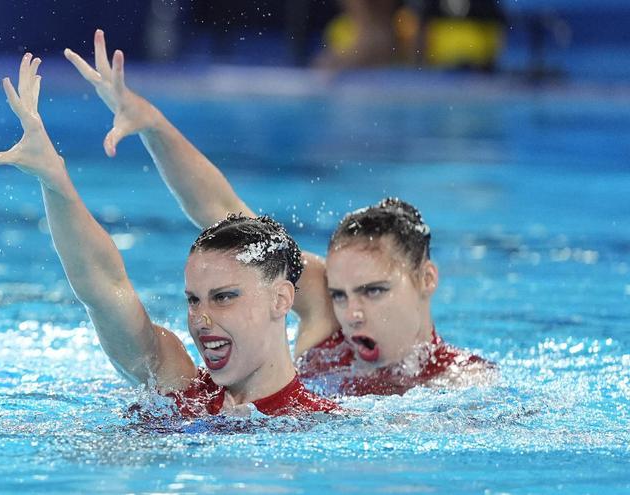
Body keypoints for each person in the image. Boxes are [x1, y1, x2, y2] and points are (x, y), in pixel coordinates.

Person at [64, 30, 495, 396]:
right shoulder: (326, 316)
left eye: (374, 291)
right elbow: (222, 211)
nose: (352, 313)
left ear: (426, 280)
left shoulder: (461, 383)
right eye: (341, 294)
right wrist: (154, 124)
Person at [0, 52, 341, 418]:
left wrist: (153, 123)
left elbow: (219, 204)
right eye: (193, 300)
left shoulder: (324, 423)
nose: (200, 319)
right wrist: (55, 181)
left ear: (281, 300)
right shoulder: (179, 388)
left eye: (223, 297)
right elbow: (105, 289)